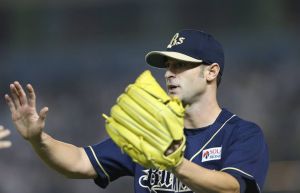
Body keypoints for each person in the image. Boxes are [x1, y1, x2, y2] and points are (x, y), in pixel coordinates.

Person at [5, 29, 269, 193]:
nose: (168, 73)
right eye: (167, 65)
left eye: (180, 66)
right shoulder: (149, 132)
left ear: (211, 71)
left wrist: (176, 164)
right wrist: (38, 140)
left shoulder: (241, 134)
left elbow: (232, 189)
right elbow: (77, 162)